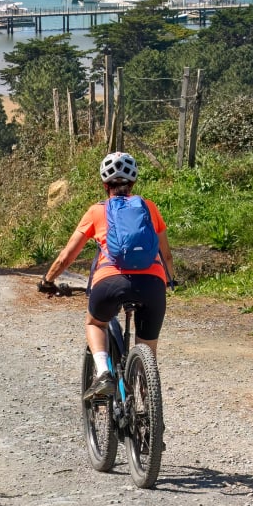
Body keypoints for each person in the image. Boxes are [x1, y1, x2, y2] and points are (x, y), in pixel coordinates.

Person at [39, 151, 173, 400]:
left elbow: (66, 256)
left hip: (110, 282)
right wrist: (171, 280)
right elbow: (167, 256)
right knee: (147, 352)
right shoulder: (149, 208)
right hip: (153, 284)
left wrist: (48, 281)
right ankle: (150, 413)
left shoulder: (96, 211)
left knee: (95, 322)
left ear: (104, 184)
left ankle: (103, 375)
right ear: (133, 183)